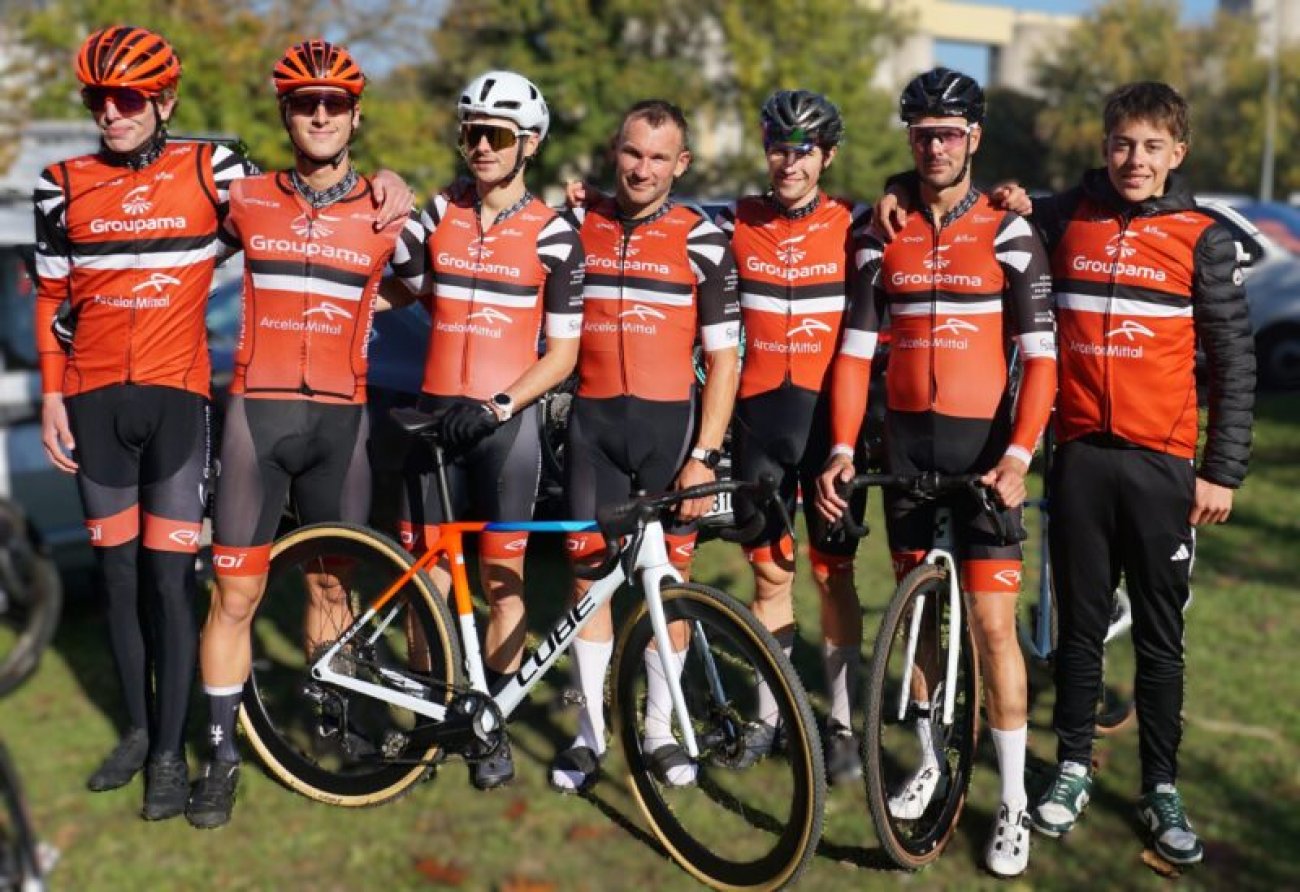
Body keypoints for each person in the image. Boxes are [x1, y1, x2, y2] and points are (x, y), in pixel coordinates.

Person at [814, 68, 1056, 877]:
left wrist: (1018, 458)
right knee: (917, 621)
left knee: (992, 626)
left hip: (987, 456)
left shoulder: (1009, 232)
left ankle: (1013, 798)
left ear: (974, 138)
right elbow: (854, 355)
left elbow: (1042, 360)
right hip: (907, 451)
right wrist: (843, 447)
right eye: (922, 134)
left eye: (949, 133)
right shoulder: (881, 232)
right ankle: (928, 757)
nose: (936, 147)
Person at [1007, 83, 1251, 866]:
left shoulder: (1203, 238)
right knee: (1079, 630)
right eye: (1121, 144)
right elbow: (986, 204)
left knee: (1159, 637)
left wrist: (1222, 470)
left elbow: (1234, 364)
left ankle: (1160, 786)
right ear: (1104, 146)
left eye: (1151, 146)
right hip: (1080, 458)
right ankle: (1074, 766)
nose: (1134, 160)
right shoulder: (1065, 217)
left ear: (1178, 153)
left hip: (1163, 467)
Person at [32, 25, 260, 821]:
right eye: (98, 98)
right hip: (93, 403)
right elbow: (50, 297)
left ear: (164, 100)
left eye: (128, 98)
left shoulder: (213, 169)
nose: (111, 112)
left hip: (176, 401)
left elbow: (298, 208)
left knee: (170, 581)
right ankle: (136, 729)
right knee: (118, 579)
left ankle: (170, 753)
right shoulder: (60, 183)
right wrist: (52, 397)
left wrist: (390, 186)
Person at [187, 39, 417, 829]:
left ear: (355, 116)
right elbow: (180, 259)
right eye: (305, 104)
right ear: (286, 114)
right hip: (258, 415)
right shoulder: (245, 199)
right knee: (236, 592)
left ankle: (337, 716)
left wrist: (364, 295)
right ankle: (219, 755)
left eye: (334, 104)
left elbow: (428, 285)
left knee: (331, 587)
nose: (321, 115)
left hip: (340, 422)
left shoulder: (386, 211)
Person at [384, 69, 585, 790]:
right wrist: (386, 190)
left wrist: (500, 405)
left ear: (529, 144)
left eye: (497, 135)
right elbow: (395, 281)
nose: (482, 146)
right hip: (434, 417)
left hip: (504, 424)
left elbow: (563, 355)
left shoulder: (556, 233)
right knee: (426, 579)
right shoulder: (439, 211)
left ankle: (491, 722)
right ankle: (428, 721)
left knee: (504, 581)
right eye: (471, 132)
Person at [550, 99, 741, 793]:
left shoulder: (703, 239)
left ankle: (658, 731)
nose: (642, 168)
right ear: (614, 150)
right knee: (586, 577)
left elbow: (724, 360)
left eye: (659, 157)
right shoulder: (576, 225)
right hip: (593, 428)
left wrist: (706, 455)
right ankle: (589, 735)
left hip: (671, 435)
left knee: (668, 583)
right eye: (633, 152)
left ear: (680, 164)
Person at [714, 90, 873, 785]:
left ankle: (841, 722)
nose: (789, 163)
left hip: (830, 425)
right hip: (760, 421)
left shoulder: (857, 224)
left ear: (827, 157)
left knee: (834, 575)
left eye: (803, 151)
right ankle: (771, 714)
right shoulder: (734, 221)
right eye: (779, 149)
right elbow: (654, 212)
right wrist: (592, 199)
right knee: (768, 572)